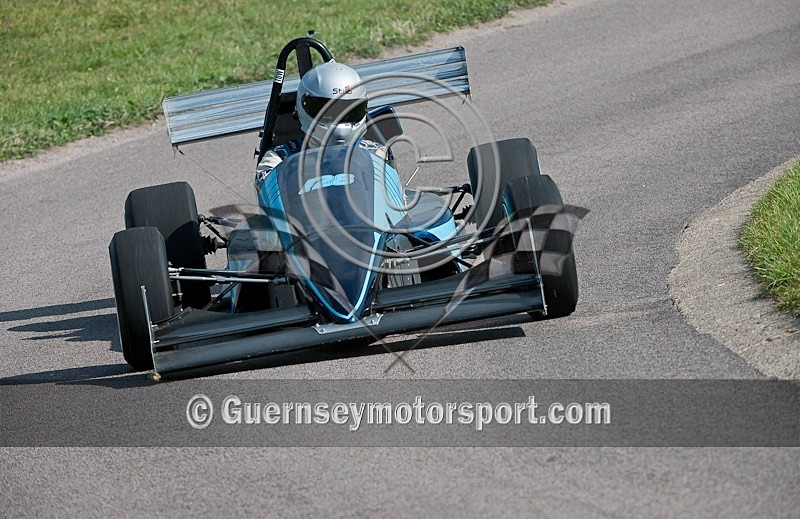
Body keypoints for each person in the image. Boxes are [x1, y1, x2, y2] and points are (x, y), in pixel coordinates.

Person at [255, 61, 392, 184]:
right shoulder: (277, 160)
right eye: (329, 112)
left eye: (348, 111)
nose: (338, 120)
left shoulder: (376, 153)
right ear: (303, 107)